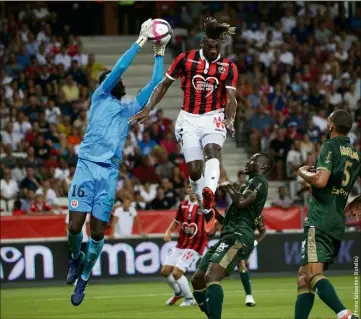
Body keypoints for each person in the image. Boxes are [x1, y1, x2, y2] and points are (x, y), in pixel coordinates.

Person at [66, 19, 167, 306]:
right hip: (86, 168)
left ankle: (84, 277)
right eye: (117, 81)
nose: (122, 82)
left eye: (120, 81)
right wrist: (140, 42)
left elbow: (155, 85)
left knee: (97, 233)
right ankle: (76, 258)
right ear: (107, 84)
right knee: (75, 227)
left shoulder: (128, 111)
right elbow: (120, 69)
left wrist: (159, 54)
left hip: (108, 174)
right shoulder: (99, 98)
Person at [129, 17, 239, 232]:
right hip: (188, 118)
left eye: (217, 47)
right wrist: (148, 108)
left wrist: (230, 119)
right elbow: (163, 86)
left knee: (213, 150)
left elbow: (232, 98)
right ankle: (207, 208)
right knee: (195, 170)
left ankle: (209, 192)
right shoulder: (185, 60)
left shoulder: (228, 67)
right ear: (202, 45)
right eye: (210, 47)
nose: (214, 50)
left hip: (213, 116)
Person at [294, 109, 361, 319]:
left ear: (331, 126)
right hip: (336, 220)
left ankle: (345, 314)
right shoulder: (356, 154)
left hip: (320, 218)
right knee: (304, 278)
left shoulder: (329, 146)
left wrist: (302, 172)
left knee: (312, 274)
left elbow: (321, 181)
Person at [191, 152, 273, 319]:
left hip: (239, 236)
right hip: (228, 235)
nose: (248, 161)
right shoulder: (246, 186)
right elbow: (224, 221)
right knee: (197, 279)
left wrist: (228, 186)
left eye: (253, 159)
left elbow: (241, 201)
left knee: (211, 276)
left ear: (262, 166)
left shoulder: (258, 181)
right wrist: (208, 207)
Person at [161, 186, 209, 307]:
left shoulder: (205, 206)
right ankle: (178, 293)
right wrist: (168, 231)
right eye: (190, 187)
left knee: (177, 273)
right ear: (187, 189)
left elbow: (215, 222)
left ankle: (189, 299)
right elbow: (176, 221)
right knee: (165, 271)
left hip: (195, 247)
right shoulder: (183, 205)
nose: (192, 189)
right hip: (181, 244)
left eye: (195, 187)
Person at [237, 215, 266, 307]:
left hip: (245, 244)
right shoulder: (233, 210)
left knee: (241, 264)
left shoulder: (256, 215)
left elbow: (263, 231)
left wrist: (256, 241)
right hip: (230, 241)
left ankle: (249, 296)